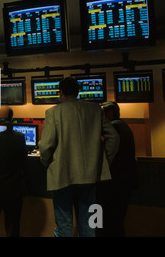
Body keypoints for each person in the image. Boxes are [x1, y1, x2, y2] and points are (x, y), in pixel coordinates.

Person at [39, 77, 119, 237]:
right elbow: (114, 137)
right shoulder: (95, 110)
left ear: (60, 92)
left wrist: (48, 163)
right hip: (89, 177)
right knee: (89, 226)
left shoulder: (53, 112)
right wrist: (102, 162)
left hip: (62, 176)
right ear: (78, 91)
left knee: (64, 227)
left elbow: (46, 145)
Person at [97, 102, 137, 237]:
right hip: (124, 183)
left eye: (102, 114)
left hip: (113, 184)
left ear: (109, 113)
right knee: (116, 223)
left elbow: (104, 154)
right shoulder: (123, 126)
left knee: (106, 223)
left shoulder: (114, 128)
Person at [0, 107, 28, 237]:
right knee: (13, 224)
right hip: (15, 187)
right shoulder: (20, 137)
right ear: (12, 119)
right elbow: (24, 160)